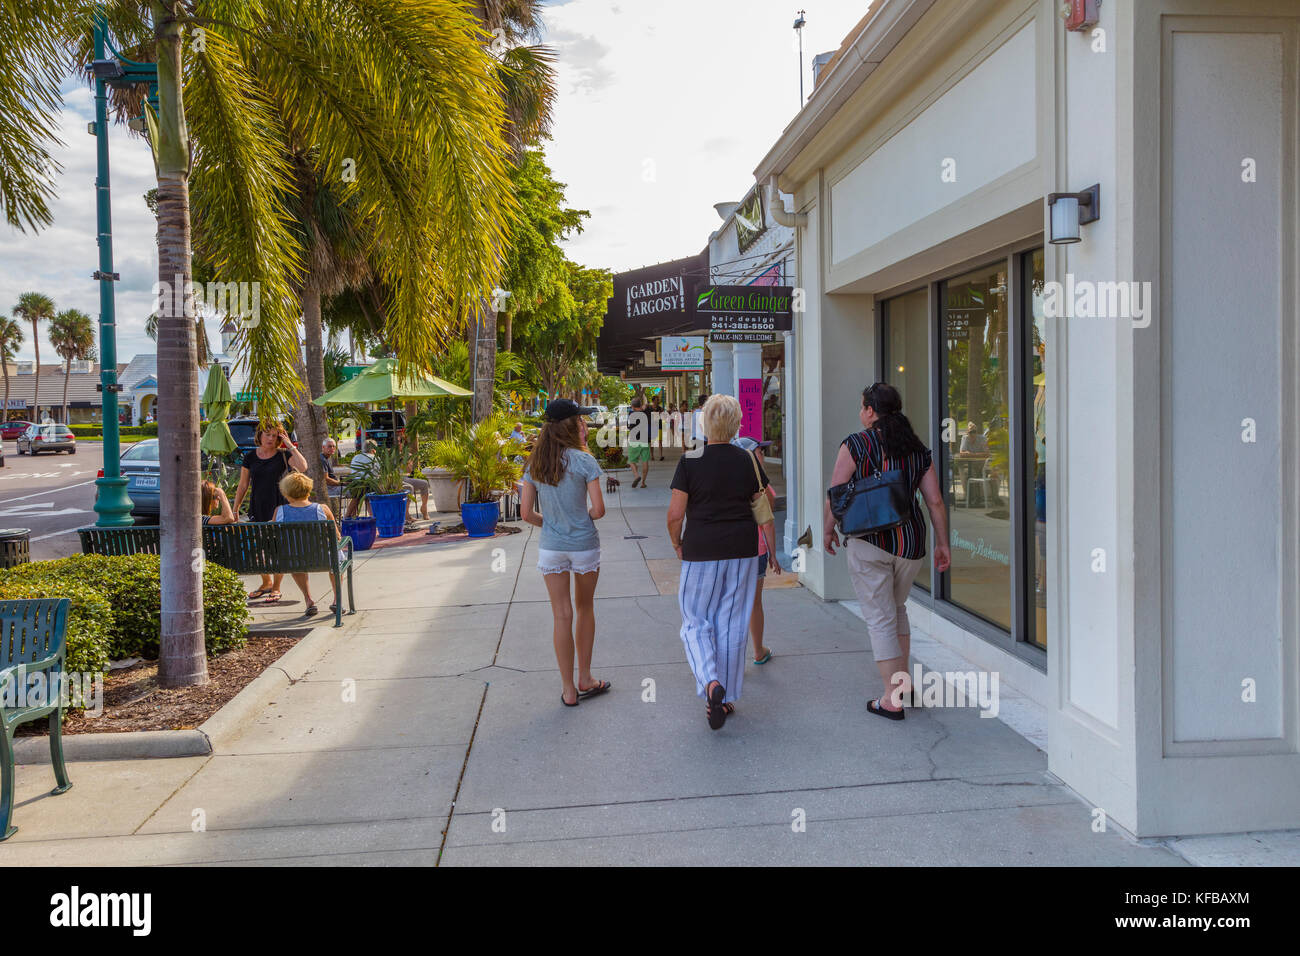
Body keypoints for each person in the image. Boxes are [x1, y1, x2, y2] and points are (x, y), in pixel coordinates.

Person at [824, 383, 951, 721]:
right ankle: (904, 684)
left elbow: (835, 494)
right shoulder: (917, 449)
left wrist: (826, 530)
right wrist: (943, 542)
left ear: (869, 411)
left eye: (862, 406)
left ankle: (891, 700)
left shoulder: (856, 444)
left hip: (869, 541)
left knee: (880, 618)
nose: (860, 411)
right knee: (896, 609)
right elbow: (934, 500)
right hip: (910, 543)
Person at [667, 394, 776, 730]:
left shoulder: (690, 460)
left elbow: (675, 514)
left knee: (695, 621)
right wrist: (771, 550)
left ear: (705, 423)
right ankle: (725, 698)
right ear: (736, 424)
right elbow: (761, 505)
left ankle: (710, 682)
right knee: (730, 622)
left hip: (701, 550)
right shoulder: (748, 460)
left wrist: (677, 542)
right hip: (742, 550)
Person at [519, 398, 610, 708]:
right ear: (574, 425)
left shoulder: (535, 464)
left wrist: (552, 524)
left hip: (551, 549)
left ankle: (569, 690)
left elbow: (525, 514)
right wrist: (580, 518)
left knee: (561, 614)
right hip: (584, 546)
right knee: (585, 609)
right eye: (581, 420)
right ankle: (586, 677)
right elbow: (598, 509)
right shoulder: (585, 462)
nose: (584, 424)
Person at [235, 422, 309, 602]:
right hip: (257, 506)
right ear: (259, 435)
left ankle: (276, 587)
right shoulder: (251, 457)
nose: (270, 438)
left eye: (275, 435)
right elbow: (243, 484)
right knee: (257, 547)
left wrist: (290, 445)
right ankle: (266, 582)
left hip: (279, 506)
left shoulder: (283, 456)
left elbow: (303, 466)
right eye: (267, 434)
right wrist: (235, 507)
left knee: (278, 548)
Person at [732, 437, 780, 664]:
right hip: (755, 548)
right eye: (760, 451)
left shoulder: (728, 479)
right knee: (753, 603)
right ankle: (758, 651)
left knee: (732, 602)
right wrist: (773, 553)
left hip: (731, 549)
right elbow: (767, 522)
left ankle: (731, 656)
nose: (763, 454)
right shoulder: (760, 484)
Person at [272, 471, 340, 618]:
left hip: (294, 560)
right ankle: (337, 599)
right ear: (308, 490)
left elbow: (272, 537)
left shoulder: (279, 511)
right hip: (323, 558)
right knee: (336, 555)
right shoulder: (323, 509)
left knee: (294, 555)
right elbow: (337, 537)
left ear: (286, 492)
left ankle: (308, 599)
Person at [626, 396, 652, 488]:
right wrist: (645, 407)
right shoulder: (647, 413)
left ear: (633, 406)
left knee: (631, 461)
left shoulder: (631, 414)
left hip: (634, 440)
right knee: (645, 461)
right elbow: (648, 406)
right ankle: (643, 483)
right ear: (640, 405)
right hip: (644, 439)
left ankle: (636, 476)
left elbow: (629, 426)